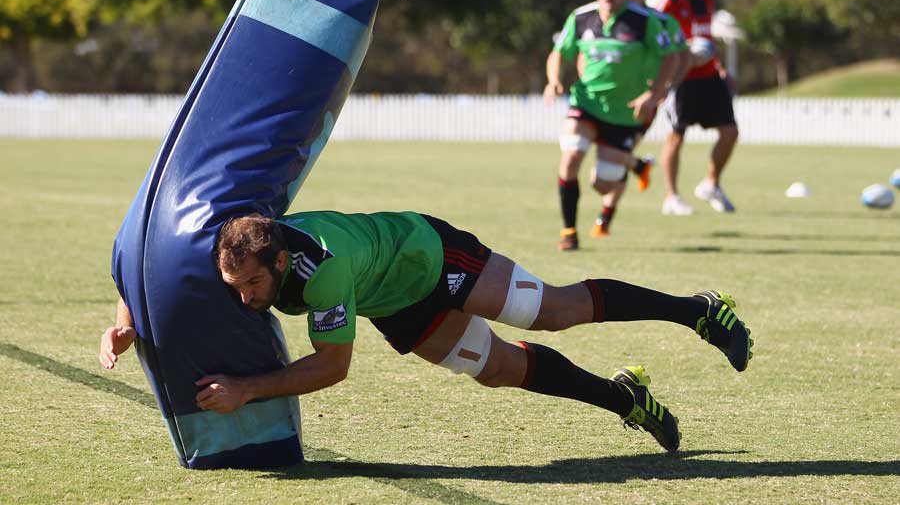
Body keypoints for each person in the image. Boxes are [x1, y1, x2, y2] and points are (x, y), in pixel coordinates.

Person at [100, 210, 754, 453]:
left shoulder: (322, 277)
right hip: (395, 303)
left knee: (551, 310)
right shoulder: (239, 253)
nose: (243, 299)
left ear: (278, 262)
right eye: (233, 287)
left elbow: (332, 368)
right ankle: (626, 398)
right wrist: (126, 323)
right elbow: (155, 267)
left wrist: (247, 388)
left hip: (431, 256)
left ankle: (695, 309)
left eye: (251, 287)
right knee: (497, 370)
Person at [544, 0, 678, 250]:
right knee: (570, 159)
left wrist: (654, 94)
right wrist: (554, 80)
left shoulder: (644, 21)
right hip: (586, 103)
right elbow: (558, 53)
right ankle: (568, 231)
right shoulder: (581, 18)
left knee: (602, 184)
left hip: (625, 114)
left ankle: (632, 168)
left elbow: (670, 57)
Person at [659, 0, 740, 216]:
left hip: (708, 76)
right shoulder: (670, 2)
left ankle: (711, 183)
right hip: (681, 78)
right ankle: (671, 197)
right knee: (676, 136)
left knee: (730, 132)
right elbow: (658, 39)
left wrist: (720, 68)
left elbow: (708, 38)